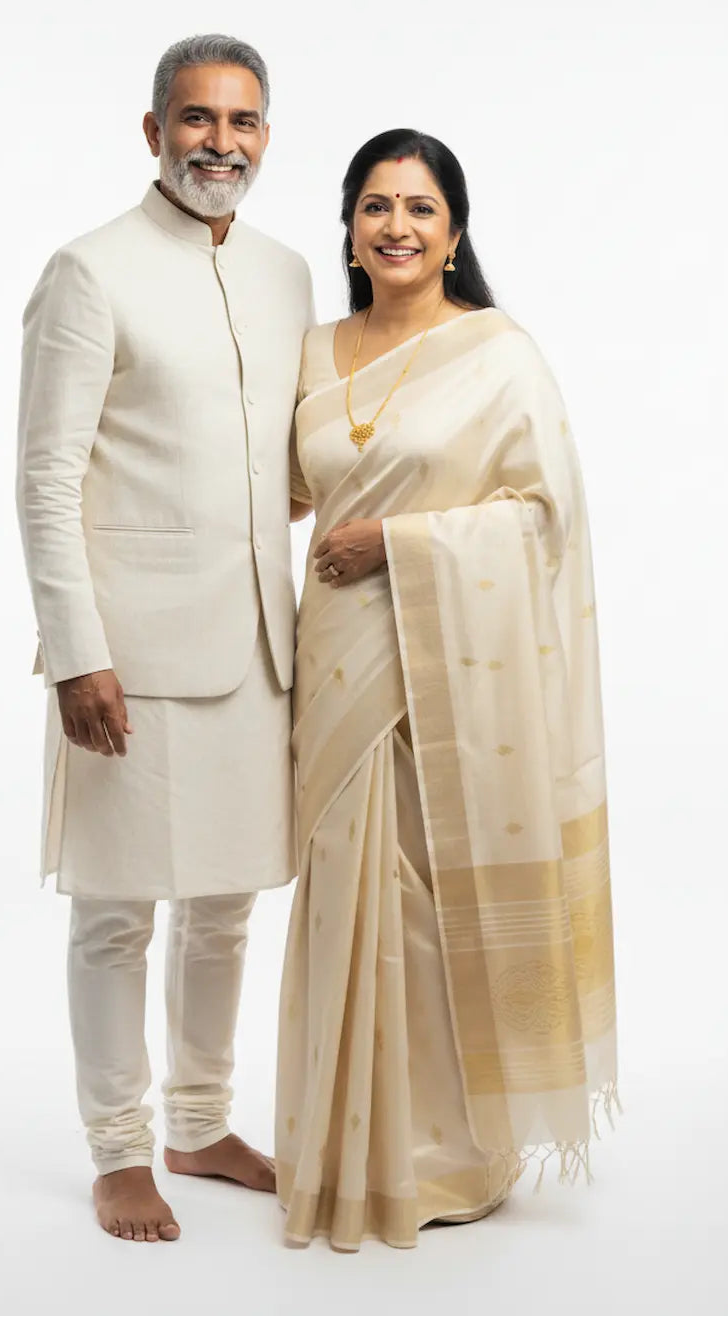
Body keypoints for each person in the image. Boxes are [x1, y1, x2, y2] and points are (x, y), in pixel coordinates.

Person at [277, 129, 618, 1251]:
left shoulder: (498, 353)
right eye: (376, 206)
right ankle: (338, 1148)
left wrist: (404, 545)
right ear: (350, 226)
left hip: (442, 671)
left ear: (455, 232)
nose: (397, 227)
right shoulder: (313, 350)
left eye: (420, 208)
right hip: (332, 663)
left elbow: (542, 517)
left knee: (423, 907)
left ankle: (441, 1157)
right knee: (339, 898)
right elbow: (273, 487)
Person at [16, 34, 314, 1243]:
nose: (220, 143)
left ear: (264, 136)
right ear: (154, 133)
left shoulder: (291, 273)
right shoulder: (88, 272)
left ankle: (200, 1120)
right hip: (127, 657)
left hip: (258, 646)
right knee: (117, 910)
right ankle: (119, 1148)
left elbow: (273, 458)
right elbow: (46, 476)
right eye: (197, 120)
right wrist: (77, 650)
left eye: (242, 122)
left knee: (229, 904)